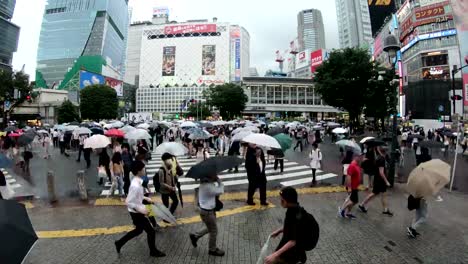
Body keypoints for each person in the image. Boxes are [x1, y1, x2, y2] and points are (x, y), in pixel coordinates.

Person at [114, 160, 166, 258]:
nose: (144, 170)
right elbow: (128, 202)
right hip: (136, 213)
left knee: (138, 230)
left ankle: (119, 243)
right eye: (143, 169)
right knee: (151, 231)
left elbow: (137, 196)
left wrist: (145, 198)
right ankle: (153, 251)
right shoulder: (135, 185)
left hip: (136, 211)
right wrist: (141, 210)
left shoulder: (138, 180)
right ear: (138, 171)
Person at [265, 187, 307, 264]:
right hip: (287, 244)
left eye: (282, 200)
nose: (280, 202)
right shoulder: (291, 209)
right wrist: (279, 231)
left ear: (289, 201)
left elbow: (293, 241)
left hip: (292, 251)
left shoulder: (297, 215)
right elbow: (291, 227)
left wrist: (275, 255)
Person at [189, 173, 225, 256]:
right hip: (208, 212)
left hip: (205, 211)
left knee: (210, 228)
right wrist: (219, 180)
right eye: (214, 174)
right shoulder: (208, 186)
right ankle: (212, 249)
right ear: (209, 176)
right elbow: (221, 190)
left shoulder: (203, 185)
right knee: (214, 230)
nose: (215, 175)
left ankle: (195, 236)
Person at [358, 147, 394, 216]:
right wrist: (386, 181)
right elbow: (381, 172)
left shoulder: (379, 157)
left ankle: (385, 209)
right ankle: (362, 204)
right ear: (385, 152)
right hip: (380, 180)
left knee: (383, 194)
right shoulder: (382, 159)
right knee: (374, 193)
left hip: (378, 179)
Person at [338, 153, 362, 219]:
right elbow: (348, 177)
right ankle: (342, 211)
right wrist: (349, 188)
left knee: (354, 201)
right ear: (355, 157)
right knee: (352, 201)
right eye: (360, 157)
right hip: (352, 187)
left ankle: (347, 212)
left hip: (355, 187)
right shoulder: (352, 165)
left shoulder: (357, 164)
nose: (361, 158)